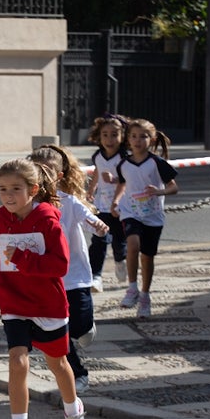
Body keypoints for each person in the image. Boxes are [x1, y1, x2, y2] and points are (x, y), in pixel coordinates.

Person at [0, 159, 87, 419]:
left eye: (16, 188)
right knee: (17, 360)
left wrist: (23, 258)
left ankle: (73, 411)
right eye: (2, 189)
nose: (8, 195)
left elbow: (60, 265)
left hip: (48, 304)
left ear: (34, 190)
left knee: (58, 365)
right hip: (13, 301)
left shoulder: (48, 221)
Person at [30, 145, 109, 395]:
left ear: (59, 175)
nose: (43, 175)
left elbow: (89, 220)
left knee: (80, 326)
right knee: (59, 331)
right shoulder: (28, 205)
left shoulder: (70, 202)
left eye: (48, 171)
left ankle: (85, 329)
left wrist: (97, 226)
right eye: (37, 170)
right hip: (46, 279)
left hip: (74, 277)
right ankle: (78, 374)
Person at [114, 118, 178, 320]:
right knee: (132, 245)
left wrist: (158, 191)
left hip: (153, 216)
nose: (138, 140)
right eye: (133, 136)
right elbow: (122, 185)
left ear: (151, 139)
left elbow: (173, 187)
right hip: (130, 212)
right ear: (128, 140)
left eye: (143, 136)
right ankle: (132, 288)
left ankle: (145, 295)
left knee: (147, 256)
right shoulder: (124, 163)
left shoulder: (156, 163)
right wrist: (115, 202)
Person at [85, 114, 129, 289]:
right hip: (102, 205)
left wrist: (114, 180)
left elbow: (128, 180)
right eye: (105, 134)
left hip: (122, 207)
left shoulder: (125, 157)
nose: (109, 139)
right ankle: (95, 276)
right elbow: (98, 170)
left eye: (114, 134)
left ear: (122, 136)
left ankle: (120, 260)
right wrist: (91, 189)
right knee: (99, 239)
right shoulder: (98, 155)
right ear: (99, 136)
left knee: (119, 241)